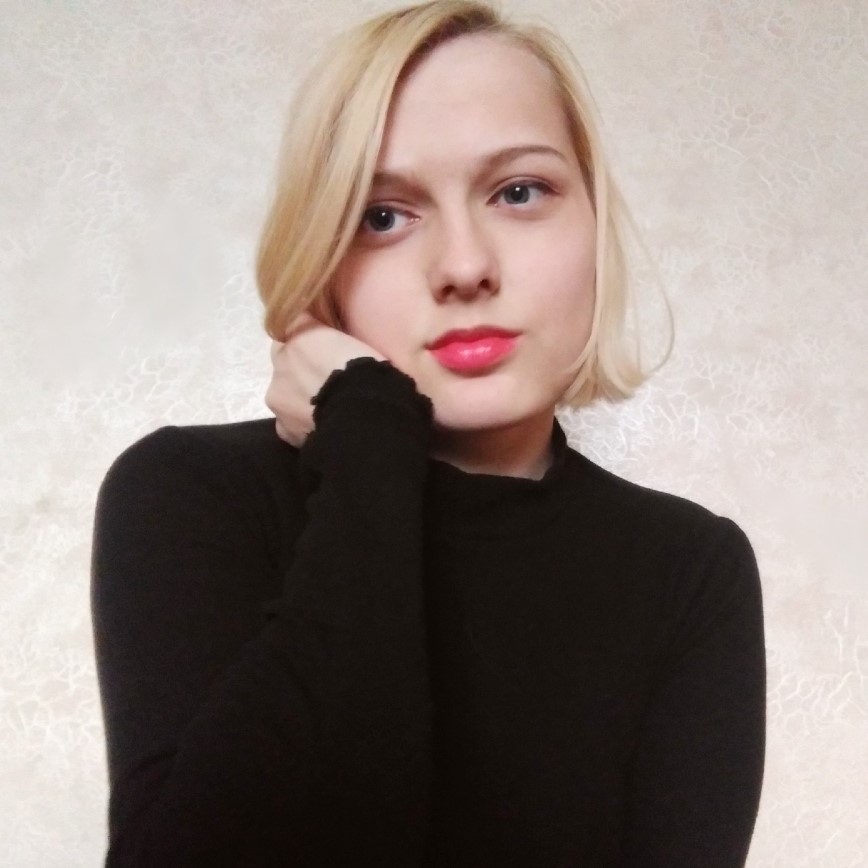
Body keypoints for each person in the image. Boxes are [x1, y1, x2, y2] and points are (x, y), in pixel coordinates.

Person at [91, 1, 766, 865]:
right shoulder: (193, 494)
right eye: (383, 215)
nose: (464, 266)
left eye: (519, 192)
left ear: (594, 223)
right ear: (321, 257)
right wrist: (369, 435)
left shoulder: (688, 567)